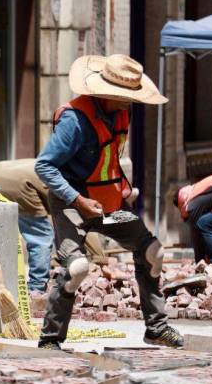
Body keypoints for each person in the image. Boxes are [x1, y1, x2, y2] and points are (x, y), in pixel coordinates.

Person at [34, 54, 183, 350]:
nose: (130, 101)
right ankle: (50, 340)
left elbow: (107, 160)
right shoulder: (74, 121)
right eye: (125, 96)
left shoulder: (120, 114)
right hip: (72, 207)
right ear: (106, 93)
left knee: (152, 251)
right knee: (76, 267)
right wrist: (78, 200)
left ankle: (156, 328)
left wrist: (122, 189)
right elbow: (44, 167)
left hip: (107, 208)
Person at [0, 159, 108, 293]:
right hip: (21, 184)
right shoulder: (80, 192)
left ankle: (2, 284)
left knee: (4, 235)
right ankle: (36, 288)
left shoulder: (68, 168)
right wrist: (101, 261)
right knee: (41, 235)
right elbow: (83, 227)